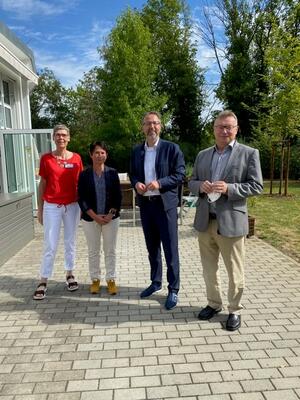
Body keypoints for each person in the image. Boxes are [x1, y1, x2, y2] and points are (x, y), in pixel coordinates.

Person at [189, 110, 263, 330]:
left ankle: (235, 309)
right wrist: (200, 186)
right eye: (220, 126)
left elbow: (257, 185)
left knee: (234, 271)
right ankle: (214, 304)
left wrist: (229, 188)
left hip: (231, 222)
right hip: (206, 221)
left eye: (229, 127)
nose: (224, 131)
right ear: (213, 129)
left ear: (236, 129)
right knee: (209, 269)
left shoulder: (249, 153)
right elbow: (191, 182)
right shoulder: (203, 155)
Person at [130, 111, 185, 310]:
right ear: (142, 127)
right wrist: (136, 184)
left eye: (155, 123)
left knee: (170, 249)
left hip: (165, 207)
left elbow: (180, 174)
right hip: (146, 206)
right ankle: (155, 282)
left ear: (161, 126)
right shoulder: (137, 151)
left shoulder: (171, 148)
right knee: (152, 248)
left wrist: (159, 183)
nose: (151, 127)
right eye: (147, 124)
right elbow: (133, 174)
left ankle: (174, 288)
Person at [33, 124, 83, 300]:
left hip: (72, 206)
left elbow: (80, 184)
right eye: (57, 135)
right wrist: (40, 209)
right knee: (50, 244)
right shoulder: (46, 159)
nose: (61, 138)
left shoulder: (76, 158)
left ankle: (70, 274)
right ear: (53, 138)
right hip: (52, 206)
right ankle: (43, 280)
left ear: (69, 138)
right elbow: (43, 184)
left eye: (64, 135)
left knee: (70, 241)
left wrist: (83, 207)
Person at [78, 141, 122, 295]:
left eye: (102, 152)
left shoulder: (112, 173)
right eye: (96, 152)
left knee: (110, 250)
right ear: (91, 155)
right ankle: (95, 279)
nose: (99, 155)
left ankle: (111, 279)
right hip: (91, 219)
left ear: (106, 155)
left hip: (111, 219)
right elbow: (81, 199)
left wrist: (110, 214)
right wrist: (95, 216)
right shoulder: (84, 175)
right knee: (93, 251)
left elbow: (118, 196)